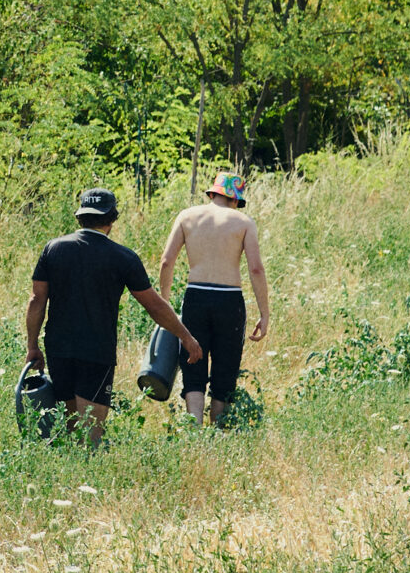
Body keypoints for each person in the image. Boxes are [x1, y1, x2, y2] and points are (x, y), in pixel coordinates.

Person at [26, 187, 200, 445]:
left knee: (72, 426)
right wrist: (185, 337)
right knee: (92, 436)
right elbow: (154, 306)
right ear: (112, 219)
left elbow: (37, 300)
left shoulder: (53, 249)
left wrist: (32, 346)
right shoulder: (123, 257)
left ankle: (70, 475)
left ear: (79, 217)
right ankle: (87, 475)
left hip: (58, 348)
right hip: (95, 351)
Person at [157, 169, 271, 425]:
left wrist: (164, 304)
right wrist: (264, 314)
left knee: (192, 360)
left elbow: (166, 262)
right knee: (226, 363)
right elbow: (256, 268)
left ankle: (194, 428)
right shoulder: (243, 222)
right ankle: (219, 430)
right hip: (229, 300)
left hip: (195, 296)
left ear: (212, 194)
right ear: (235, 200)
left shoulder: (187, 216)